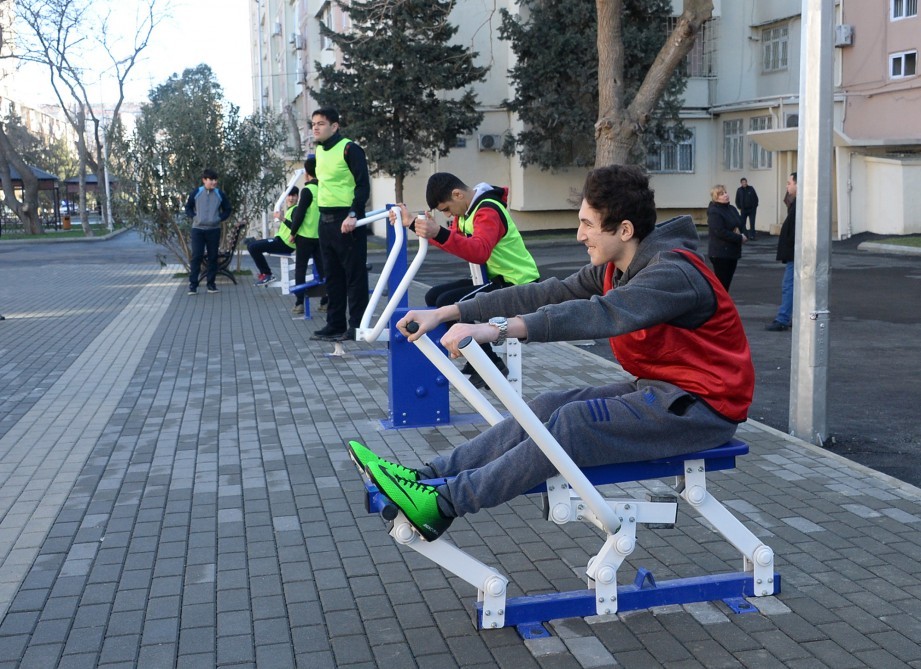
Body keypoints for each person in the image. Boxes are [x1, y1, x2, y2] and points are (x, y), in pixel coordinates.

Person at [347, 164, 755, 542]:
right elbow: (545, 292)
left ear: (625, 229)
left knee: (572, 425)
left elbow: (601, 315)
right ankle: (426, 477)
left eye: (587, 224)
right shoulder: (617, 266)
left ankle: (441, 504)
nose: (579, 235)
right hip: (664, 393)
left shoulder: (673, 273)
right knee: (544, 406)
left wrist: (498, 330)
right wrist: (446, 312)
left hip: (703, 410)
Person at [391, 173, 540, 388]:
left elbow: (479, 252)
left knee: (448, 303)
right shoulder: (467, 212)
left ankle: (490, 364)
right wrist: (416, 225)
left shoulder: (488, 210)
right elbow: (455, 242)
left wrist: (438, 232)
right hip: (496, 279)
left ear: (457, 194)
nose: (448, 215)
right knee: (434, 296)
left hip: (518, 284)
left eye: (446, 209)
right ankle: (475, 358)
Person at [309, 107, 371, 342]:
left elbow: (363, 185)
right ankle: (335, 324)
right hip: (325, 222)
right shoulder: (319, 150)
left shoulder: (350, 149)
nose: (316, 127)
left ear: (335, 126)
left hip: (347, 221)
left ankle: (356, 327)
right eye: (313, 123)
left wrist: (354, 214)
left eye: (321, 123)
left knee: (354, 276)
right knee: (332, 276)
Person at [287, 157, 326, 315]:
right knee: (323, 269)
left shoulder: (307, 191)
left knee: (300, 269)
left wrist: (292, 232)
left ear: (307, 174)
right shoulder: (323, 189)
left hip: (304, 236)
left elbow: (300, 214)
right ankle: (325, 302)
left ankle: (299, 303)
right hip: (320, 236)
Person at [184, 168, 232, 295]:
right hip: (198, 230)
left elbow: (227, 209)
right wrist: (194, 217)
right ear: (204, 180)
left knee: (213, 257)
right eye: (211, 180)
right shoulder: (196, 192)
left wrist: (218, 219)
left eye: (215, 180)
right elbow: (188, 207)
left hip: (213, 230)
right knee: (197, 256)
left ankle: (211, 285)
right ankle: (193, 285)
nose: (214, 182)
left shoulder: (219, 194)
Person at [247, 187, 298, 286]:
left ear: (298, 197)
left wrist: (282, 218)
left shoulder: (296, 210)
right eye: (289, 195)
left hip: (285, 244)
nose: (291, 198)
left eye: (294, 195)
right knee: (251, 245)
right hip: (279, 241)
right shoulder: (290, 210)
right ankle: (266, 273)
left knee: (253, 247)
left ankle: (267, 274)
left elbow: (295, 227)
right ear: (285, 197)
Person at [766, 173, 797, 332]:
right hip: (794, 252)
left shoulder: (800, 205)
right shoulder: (796, 203)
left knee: (789, 285)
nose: (787, 186)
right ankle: (793, 316)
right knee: (794, 286)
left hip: (795, 253)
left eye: (789, 183)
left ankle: (783, 318)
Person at [706, 184, 746, 291]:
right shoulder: (714, 211)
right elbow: (719, 231)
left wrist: (743, 233)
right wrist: (739, 238)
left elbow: (740, 223)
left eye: (725, 192)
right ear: (715, 197)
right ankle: (719, 306)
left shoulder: (731, 208)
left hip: (732, 252)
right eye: (721, 194)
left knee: (726, 284)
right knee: (722, 285)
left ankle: (723, 305)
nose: (725, 195)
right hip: (720, 253)